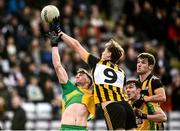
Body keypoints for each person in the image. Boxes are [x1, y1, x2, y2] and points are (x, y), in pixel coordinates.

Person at [48, 17, 136, 130]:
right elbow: (58, 67)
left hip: (112, 106)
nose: (102, 52)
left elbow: (76, 45)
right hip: (126, 106)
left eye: (105, 51)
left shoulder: (97, 65)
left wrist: (60, 33)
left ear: (109, 55)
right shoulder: (122, 72)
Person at [49, 37, 95, 131]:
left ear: (89, 80)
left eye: (81, 75)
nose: (77, 76)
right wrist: (54, 45)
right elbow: (58, 66)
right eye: (77, 75)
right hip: (65, 128)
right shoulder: (70, 89)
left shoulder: (94, 94)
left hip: (82, 129)